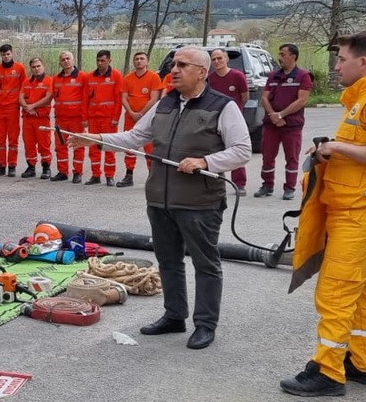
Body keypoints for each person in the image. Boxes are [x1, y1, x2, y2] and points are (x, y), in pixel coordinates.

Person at [68, 47, 251, 349]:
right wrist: (97, 139)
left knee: (206, 264)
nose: (174, 70)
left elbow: (242, 150)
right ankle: (174, 315)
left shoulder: (223, 106)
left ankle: (205, 324)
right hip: (160, 200)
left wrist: (205, 162)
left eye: (182, 65)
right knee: (168, 261)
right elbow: (133, 137)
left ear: (201, 73)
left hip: (200, 204)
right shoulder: (166, 104)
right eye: (173, 64)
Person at [280, 31, 366, 397]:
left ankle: (328, 371)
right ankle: (365, 363)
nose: (335, 67)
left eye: (341, 60)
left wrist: (336, 146)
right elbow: (363, 150)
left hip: (362, 214)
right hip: (351, 211)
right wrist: (332, 152)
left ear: (363, 63)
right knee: (360, 289)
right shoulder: (363, 98)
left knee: (335, 292)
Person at [255, 43, 312, 200]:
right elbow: (264, 97)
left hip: (292, 125)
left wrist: (282, 114)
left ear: (293, 56)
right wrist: (273, 114)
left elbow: (302, 100)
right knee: (267, 156)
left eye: (282, 54)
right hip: (271, 124)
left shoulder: (303, 76)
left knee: (291, 158)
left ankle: (289, 188)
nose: (279, 57)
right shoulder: (273, 76)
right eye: (279, 54)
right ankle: (267, 185)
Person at [207, 49, 249, 195]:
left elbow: (244, 96)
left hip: (233, 121)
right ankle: (215, 181)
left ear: (226, 59)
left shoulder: (237, 76)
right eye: (214, 59)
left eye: (220, 58)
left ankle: (240, 184)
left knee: (235, 150)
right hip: (215, 119)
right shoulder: (210, 78)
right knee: (215, 151)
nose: (217, 61)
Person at [118, 51, 163, 187]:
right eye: (136, 59)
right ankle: (129, 175)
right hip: (130, 117)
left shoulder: (154, 77)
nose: (139, 61)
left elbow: (154, 98)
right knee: (130, 147)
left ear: (147, 62)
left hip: (148, 118)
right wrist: (131, 112)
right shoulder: (127, 78)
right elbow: (124, 98)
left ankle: (152, 177)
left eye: (142, 58)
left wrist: (142, 114)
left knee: (149, 148)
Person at [84, 50, 124, 186]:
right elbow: (85, 99)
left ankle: (109, 175)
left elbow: (118, 100)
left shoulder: (116, 76)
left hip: (108, 118)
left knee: (109, 147)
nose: (100, 63)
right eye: (98, 60)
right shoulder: (90, 77)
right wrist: (85, 118)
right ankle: (95, 175)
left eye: (103, 61)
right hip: (93, 118)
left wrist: (115, 118)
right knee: (93, 148)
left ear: (109, 61)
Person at [50, 51, 87, 183]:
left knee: (78, 145)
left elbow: (86, 98)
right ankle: (62, 171)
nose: (66, 61)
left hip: (76, 118)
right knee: (60, 146)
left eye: (68, 59)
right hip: (60, 118)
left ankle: (77, 172)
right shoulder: (56, 78)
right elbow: (53, 96)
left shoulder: (83, 77)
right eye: (63, 59)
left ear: (73, 60)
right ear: (60, 62)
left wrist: (85, 120)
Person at [0, 44, 26, 176]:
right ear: (0, 55)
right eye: (3, 54)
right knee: (0, 139)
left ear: (12, 54)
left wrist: (21, 103)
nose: (6, 57)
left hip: (13, 107)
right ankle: (1, 165)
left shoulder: (19, 68)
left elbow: (24, 86)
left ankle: (12, 165)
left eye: (8, 54)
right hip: (0, 108)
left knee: (12, 139)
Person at [19, 57, 54, 179]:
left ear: (43, 66)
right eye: (33, 67)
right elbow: (21, 97)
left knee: (44, 144)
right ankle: (31, 167)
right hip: (28, 118)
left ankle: (46, 168)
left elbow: (48, 98)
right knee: (29, 144)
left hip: (41, 119)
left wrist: (32, 106)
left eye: (38, 66)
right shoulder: (26, 82)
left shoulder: (49, 81)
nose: (36, 69)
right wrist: (27, 107)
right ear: (31, 69)